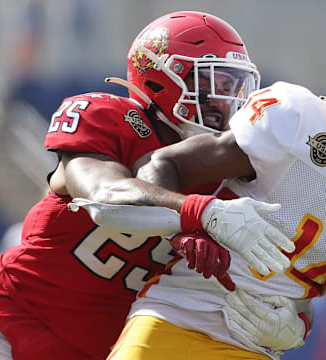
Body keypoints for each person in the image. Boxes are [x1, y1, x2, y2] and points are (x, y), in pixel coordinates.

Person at [0, 11, 294, 360]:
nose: (226, 103)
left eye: (235, 88)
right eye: (214, 85)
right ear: (161, 79)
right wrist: (201, 212)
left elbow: (291, 270)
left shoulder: (236, 174)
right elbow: (105, 195)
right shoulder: (113, 120)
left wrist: (293, 322)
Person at [99, 81, 324, 360]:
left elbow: (301, 287)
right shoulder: (302, 120)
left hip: (255, 348)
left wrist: (300, 326)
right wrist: (186, 227)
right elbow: (160, 164)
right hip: (179, 320)